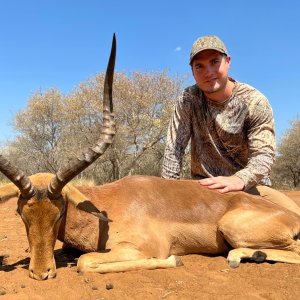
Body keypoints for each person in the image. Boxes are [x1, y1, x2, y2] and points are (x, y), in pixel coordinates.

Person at [162, 35, 300, 216]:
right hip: (203, 188)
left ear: (228, 61)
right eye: (199, 66)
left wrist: (238, 180)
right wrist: (166, 192)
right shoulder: (188, 99)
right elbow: (174, 149)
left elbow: (264, 156)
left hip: (248, 188)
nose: (208, 71)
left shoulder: (254, 101)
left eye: (214, 62)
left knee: (293, 218)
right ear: (192, 71)